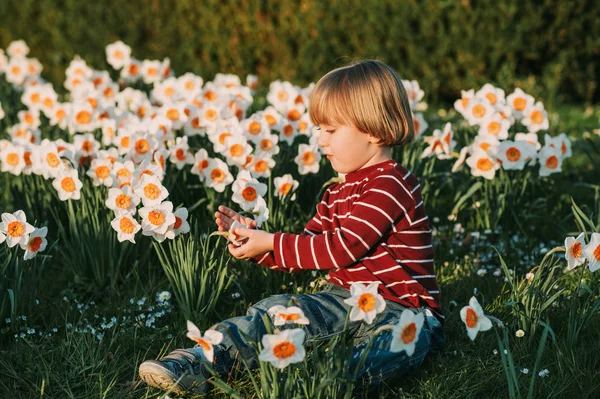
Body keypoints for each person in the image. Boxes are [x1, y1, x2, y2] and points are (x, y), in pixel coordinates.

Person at [139, 59, 445, 395]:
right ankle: (200, 360)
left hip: (402, 308)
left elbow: (342, 248)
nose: (321, 141)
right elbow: (310, 246)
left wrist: (271, 240)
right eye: (319, 130)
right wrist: (260, 247)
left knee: (395, 344)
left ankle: (330, 383)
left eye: (331, 130)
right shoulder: (336, 192)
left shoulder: (391, 184)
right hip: (344, 299)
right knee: (276, 311)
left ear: (372, 129)